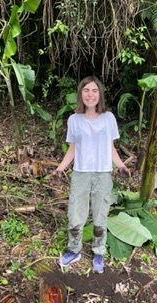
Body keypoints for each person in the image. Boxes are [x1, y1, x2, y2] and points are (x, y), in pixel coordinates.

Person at [52, 75, 130, 273]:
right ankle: (74, 249)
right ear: (81, 94)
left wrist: (120, 166)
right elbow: (72, 149)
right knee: (75, 214)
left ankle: (98, 252)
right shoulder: (74, 120)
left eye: (94, 90)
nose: (90, 94)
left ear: (100, 95)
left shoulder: (109, 118)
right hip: (80, 173)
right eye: (86, 90)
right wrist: (61, 168)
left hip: (103, 173)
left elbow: (111, 147)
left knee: (100, 214)